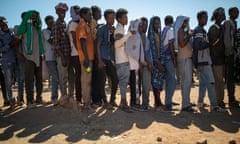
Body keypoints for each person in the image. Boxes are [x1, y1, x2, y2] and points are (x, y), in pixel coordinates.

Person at [193, 11, 225, 112]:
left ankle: (200, 102)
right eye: (204, 18)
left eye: (206, 18)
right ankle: (214, 105)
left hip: (203, 61)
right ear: (199, 19)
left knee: (203, 84)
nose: (206, 20)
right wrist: (210, 43)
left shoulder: (202, 30)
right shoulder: (199, 30)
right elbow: (198, 45)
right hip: (204, 61)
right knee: (211, 82)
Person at [16, 10, 44, 108]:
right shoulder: (23, 28)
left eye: (36, 16)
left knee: (39, 80)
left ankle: (39, 98)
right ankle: (30, 101)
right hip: (28, 58)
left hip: (38, 57)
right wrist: (19, 53)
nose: (34, 18)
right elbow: (16, 41)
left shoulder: (38, 28)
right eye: (32, 16)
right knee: (29, 80)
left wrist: (42, 53)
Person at [96, 9, 119, 108]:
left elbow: (114, 44)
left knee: (115, 79)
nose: (112, 19)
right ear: (106, 18)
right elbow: (98, 45)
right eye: (110, 18)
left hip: (109, 58)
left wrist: (114, 35)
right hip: (102, 57)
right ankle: (104, 101)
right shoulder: (102, 29)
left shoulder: (113, 29)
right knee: (102, 80)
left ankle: (112, 100)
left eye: (113, 17)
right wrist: (100, 60)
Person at [114, 8, 134, 112]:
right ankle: (124, 104)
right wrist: (129, 34)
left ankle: (123, 103)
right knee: (123, 82)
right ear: (119, 19)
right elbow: (117, 44)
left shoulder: (121, 28)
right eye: (124, 17)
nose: (126, 19)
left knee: (123, 82)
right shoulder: (119, 28)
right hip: (122, 61)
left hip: (122, 60)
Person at [174, 16, 194, 112]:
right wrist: (189, 36)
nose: (186, 23)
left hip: (184, 59)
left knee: (185, 82)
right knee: (187, 82)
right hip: (185, 59)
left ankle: (186, 102)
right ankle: (186, 104)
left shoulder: (182, 31)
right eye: (185, 22)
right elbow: (182, 44)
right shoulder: (180, 31)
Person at [52, 3, 71, 106]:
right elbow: (56, 44)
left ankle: (67, 97)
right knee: (62, 78)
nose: (62, 13)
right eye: (60, 11)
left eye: (64, 11)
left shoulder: (65, 24)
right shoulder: (56, 25)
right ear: (56, 12)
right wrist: (63, 58)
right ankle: (64, 98)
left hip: (67, 55)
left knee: (66, 78)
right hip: (61, 56)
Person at [76, 7, 94, 110]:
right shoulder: (82, 25)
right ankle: (86, 104)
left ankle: (87, 102)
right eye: (89, 14)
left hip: (88, 58)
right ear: (83, 14)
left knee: (88, 79)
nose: (90, 16)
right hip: (86, 60)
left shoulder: (85, 25)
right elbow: (82, 42)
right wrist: (86, 58)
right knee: (86, 80)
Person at [208, 7, 226, 108]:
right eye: (222, 14)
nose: (223, 16)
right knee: (218, 81)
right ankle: (218, 101)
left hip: (222, 59)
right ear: (217, 16)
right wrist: (222, 32)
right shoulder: (213, 28)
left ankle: (220, 100)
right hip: (216, 60)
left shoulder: (221, 27)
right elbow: (214, 43)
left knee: (220, 81)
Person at [126, 19, 145, 110]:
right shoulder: (132, 36)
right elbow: (130, 50)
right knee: (134, 84)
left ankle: (135, 102)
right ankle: (134, 103)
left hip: (136, 64)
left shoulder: (137, 35)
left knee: (136, 83)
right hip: (133, 64)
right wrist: (139, 61)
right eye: (140, 26)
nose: (141, 27)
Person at [147, 16, 165, 112]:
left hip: (160, 60)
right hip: (154, 62)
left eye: (158, 23)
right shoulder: (150, 35)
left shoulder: (159, 34)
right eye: (155, 23)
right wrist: (157, 63)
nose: (157, 25)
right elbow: (152, 50)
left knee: (158, 83)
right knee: (155, 83)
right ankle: (158, 103)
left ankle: (157, 102)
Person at [0, 16, 18, 109]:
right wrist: (10, 44)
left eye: (4, 22)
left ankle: (19, 99)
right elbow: (1, 50)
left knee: (19, 80)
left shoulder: (12, 32)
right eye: (1, 23)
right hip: (7, 61)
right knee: (8, 82)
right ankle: (11, 101)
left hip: (16, 59)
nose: (3, 24)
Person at [224, 7, 239, 107]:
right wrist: (229, 52)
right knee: (230, 77)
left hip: (234, 53)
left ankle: (232, 98)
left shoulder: (234, 22)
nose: (237, 14)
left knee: (233, 77)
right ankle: (231, 99)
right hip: (230, 54)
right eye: (235, 12)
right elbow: (227, 38)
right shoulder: (228, 23)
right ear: (230, 13)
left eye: (238, 12)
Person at [42, 15, 59, 105]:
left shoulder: (55, 31)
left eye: (52, 22)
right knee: (55, 78)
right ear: (46, 23)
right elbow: (51, 41)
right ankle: (54, 97)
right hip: (50, 58)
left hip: (58, 57)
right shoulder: (45, 31)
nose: (52, 23)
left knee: (59, 77)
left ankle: (57, 96)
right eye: (50, 22)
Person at [161, 16, 177, 110]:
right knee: (173, 81)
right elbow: (170, 45)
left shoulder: (163, 30)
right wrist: (174, 59)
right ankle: (168, 103)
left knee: (168, 81)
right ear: (172, 22)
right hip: (169, 58)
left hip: (164, 59)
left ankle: (168, 100)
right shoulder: (170, 30)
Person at [68, 5, 82, 103]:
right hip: (76, 55)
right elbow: (73, 39)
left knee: (84, 74)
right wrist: (81, 52)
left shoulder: (81, 23)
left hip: (81, 54)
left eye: (79, 11)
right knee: (78, 76)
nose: (78, 13)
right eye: (76, 11)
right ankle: (78, 98)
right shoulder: (73, 24)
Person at [90, 5, 103, 107]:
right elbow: (94, 39)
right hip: (94, 55)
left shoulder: (95, 23)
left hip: (95, 55)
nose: (101, 14)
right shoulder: (93, 22)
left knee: (97, 78)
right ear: (94, 13)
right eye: (99, 12)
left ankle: (97, 99)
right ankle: (96, 100)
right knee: (96, 78)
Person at [140, 17, 152, 110]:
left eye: (146, 24)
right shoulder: (141, 36)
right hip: (143, 64)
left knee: (146, 85)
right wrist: (148, 63)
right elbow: (142, 51)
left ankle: (145, 103)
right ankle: (144, 104)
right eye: (144, 24)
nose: (145, 26)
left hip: (145, 64)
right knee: (145, 85)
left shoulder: (145, 36)